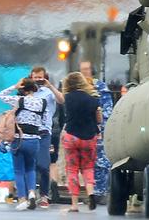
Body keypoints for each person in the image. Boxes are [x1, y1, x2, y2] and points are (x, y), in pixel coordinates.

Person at [0, 79, 48, 211]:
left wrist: (14, 86)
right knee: (30, 169)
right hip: (34, 141)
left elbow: (0, 95)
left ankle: (22, 198)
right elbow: (44, 122)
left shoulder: (20, 100)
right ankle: (31, 192)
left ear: (23, 90)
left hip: (19, 140)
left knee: (19, 171)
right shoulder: (43, 102)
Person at [62, 72, 101, 212]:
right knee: (88, 167)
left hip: (71, 136)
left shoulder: (67, 98)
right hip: (89, 137)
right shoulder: (93, 99)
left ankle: (74, 204)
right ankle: (90, 193)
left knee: (72, 170)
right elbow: (99, 120)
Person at [29, 66, 64, 209]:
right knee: (30, 165)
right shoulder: (27, 92)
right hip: (28, 132)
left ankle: (44, 195)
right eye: (35, 77)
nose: (38, 80)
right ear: (31, 78)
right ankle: (31, 194)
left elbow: (61, 100)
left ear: (45, 77)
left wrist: (49, 86)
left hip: (45, 132)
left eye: (40, 77)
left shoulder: (49, 92)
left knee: (44, 165)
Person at [80, 61, 114, 204]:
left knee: (101, 162)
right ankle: (92, 193)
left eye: (87, 69)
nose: (85, 72)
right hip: (83, 130)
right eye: (82, 70)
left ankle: (103, 192)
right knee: (87, 164)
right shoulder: (79, 89)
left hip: (98, 131)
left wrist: (102, 128)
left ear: (91, 71)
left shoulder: (100, 87)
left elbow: (107, 110)